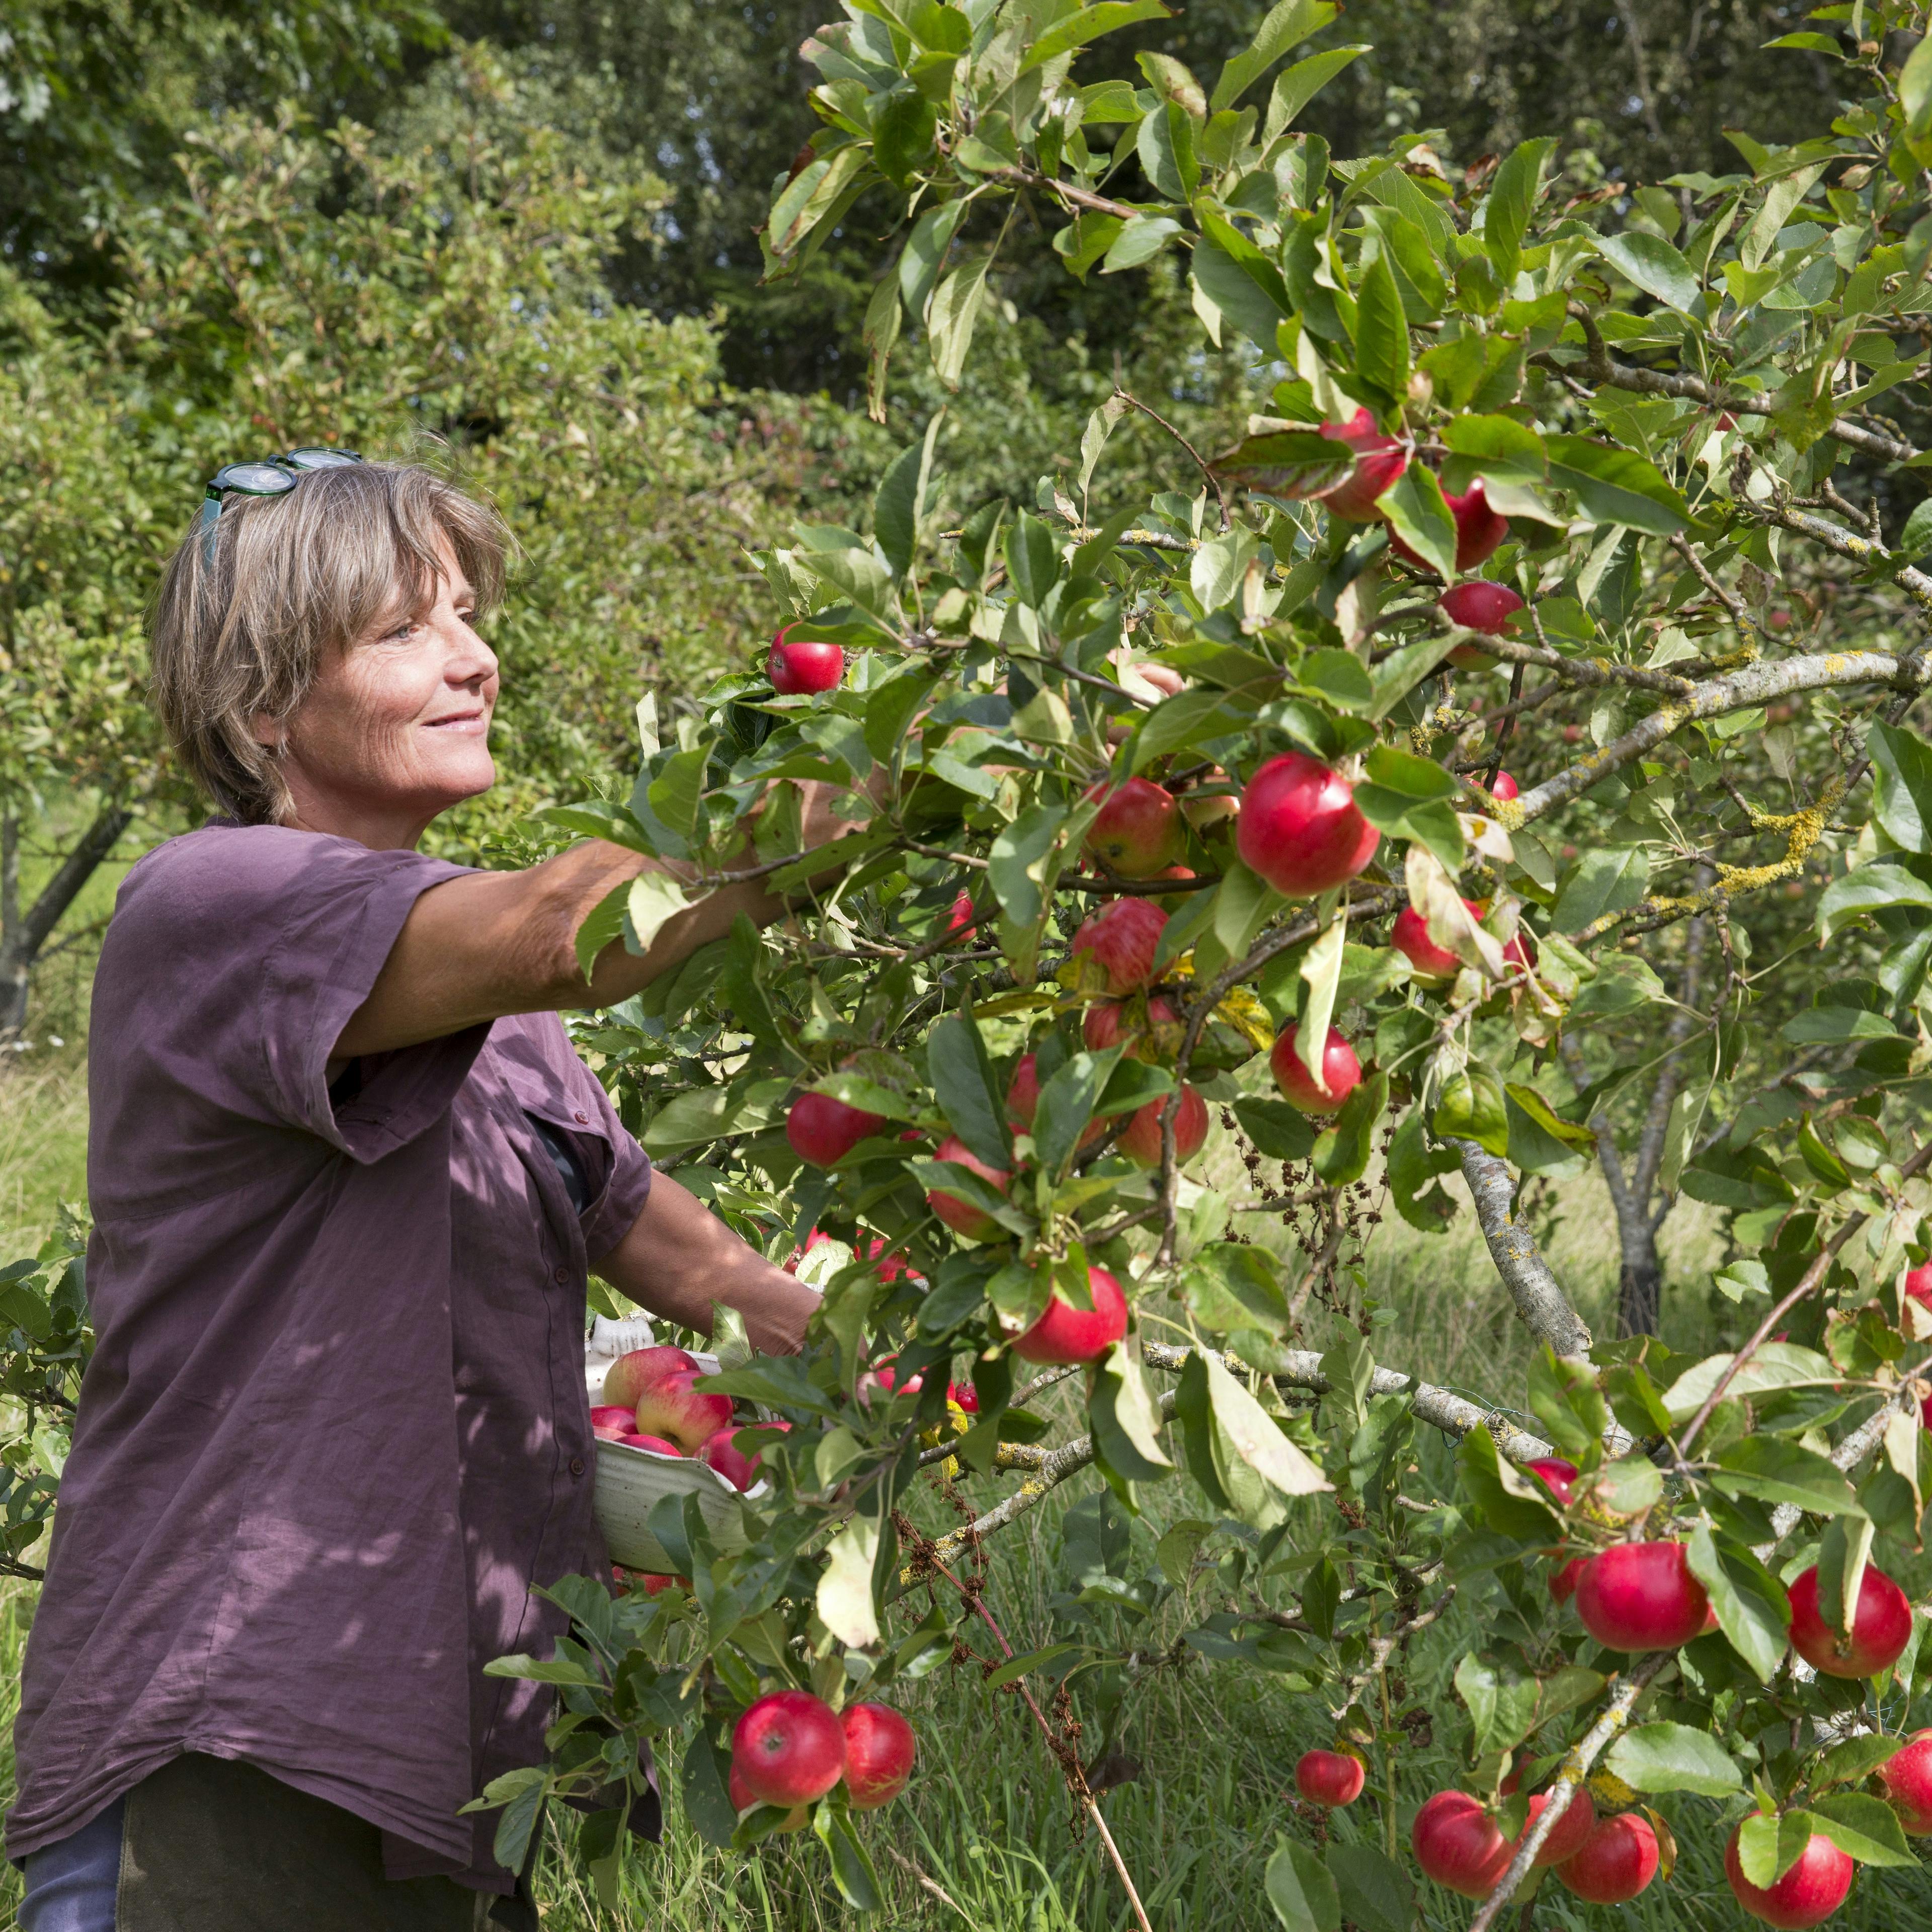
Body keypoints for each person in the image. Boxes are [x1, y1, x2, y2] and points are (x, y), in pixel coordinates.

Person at [6, 454, 831, 1930]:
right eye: (408, 629)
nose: (478, 657)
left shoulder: (490, 1008)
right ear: (264, 704)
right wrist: (838, 821)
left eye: (469, 615)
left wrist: (867, 1350)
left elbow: (648, 1226)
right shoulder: (214, 905)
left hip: (446, 1756)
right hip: (238, 1724)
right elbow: (557, 928)